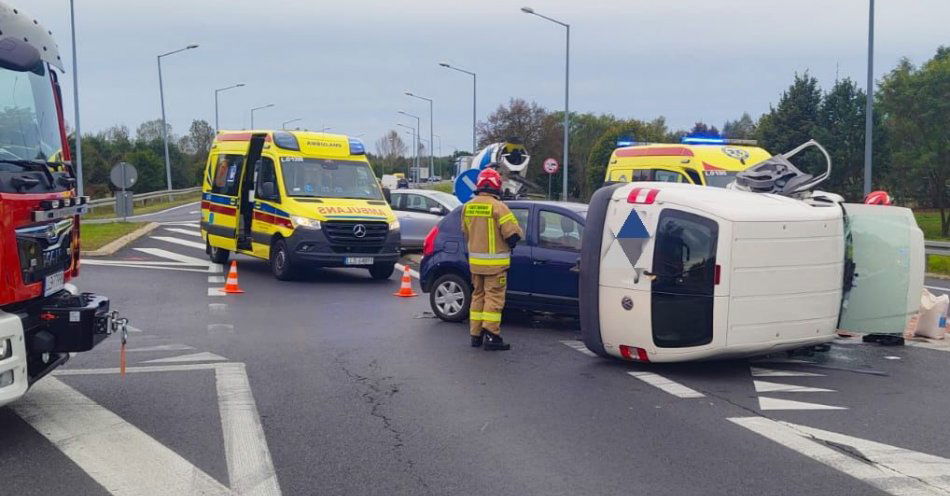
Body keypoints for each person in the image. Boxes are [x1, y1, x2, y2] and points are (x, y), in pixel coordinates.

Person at [462, 167, 523, 351]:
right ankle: (492, 335)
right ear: (497, 185)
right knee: (494, 299)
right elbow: (512, 235)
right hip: (495, 266)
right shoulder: (498, 207)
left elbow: (465, 232)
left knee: (477, 296)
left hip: (475, 264)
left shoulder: (468, 206)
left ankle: (475, 335)